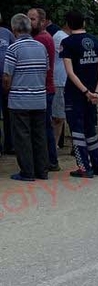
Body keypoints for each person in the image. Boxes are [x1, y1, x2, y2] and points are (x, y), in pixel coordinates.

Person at [2, 14, 49, 181]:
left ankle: (27, 172)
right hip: (39, 98)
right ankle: (42, 171)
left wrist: (8, 90)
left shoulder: (13, 49)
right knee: (39, 135)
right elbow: (46, 69)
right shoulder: (40, 47)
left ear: (14, 30)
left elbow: (7, 76)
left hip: (19, 99)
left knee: (22, 137)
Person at [60, 10, 98, 178]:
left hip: (75, 94)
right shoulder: (96, 41)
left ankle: (84, 167)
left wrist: (85, 92)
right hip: (93, 93)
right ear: (84, 23)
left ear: (67, 25)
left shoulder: (67, 43)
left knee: (77, 131)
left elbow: (70, 73)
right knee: (91, 129)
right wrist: (96, 92)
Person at [28, 8, 59, 171]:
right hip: (45, 88)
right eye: (28, 18)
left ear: (42, 21)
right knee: (44, 127)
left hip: (44, 89)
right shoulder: (40, 38)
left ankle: (49, 161)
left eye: (32, 19)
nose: (29, 22)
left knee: (43, 128)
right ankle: (50, 160)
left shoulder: (41, 39)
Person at [52, 20, 69, 156]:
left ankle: (55, 144)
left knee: (61, 117)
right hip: (59, 80)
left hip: (66, 80)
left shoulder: (66, 37)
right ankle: (53, 145)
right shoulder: (60, 37)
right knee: (58, 117)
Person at [0, 14, 14, 156]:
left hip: (7, 80)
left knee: (9, 113)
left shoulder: (6, 33)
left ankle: (10, 145)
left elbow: (15, 50)